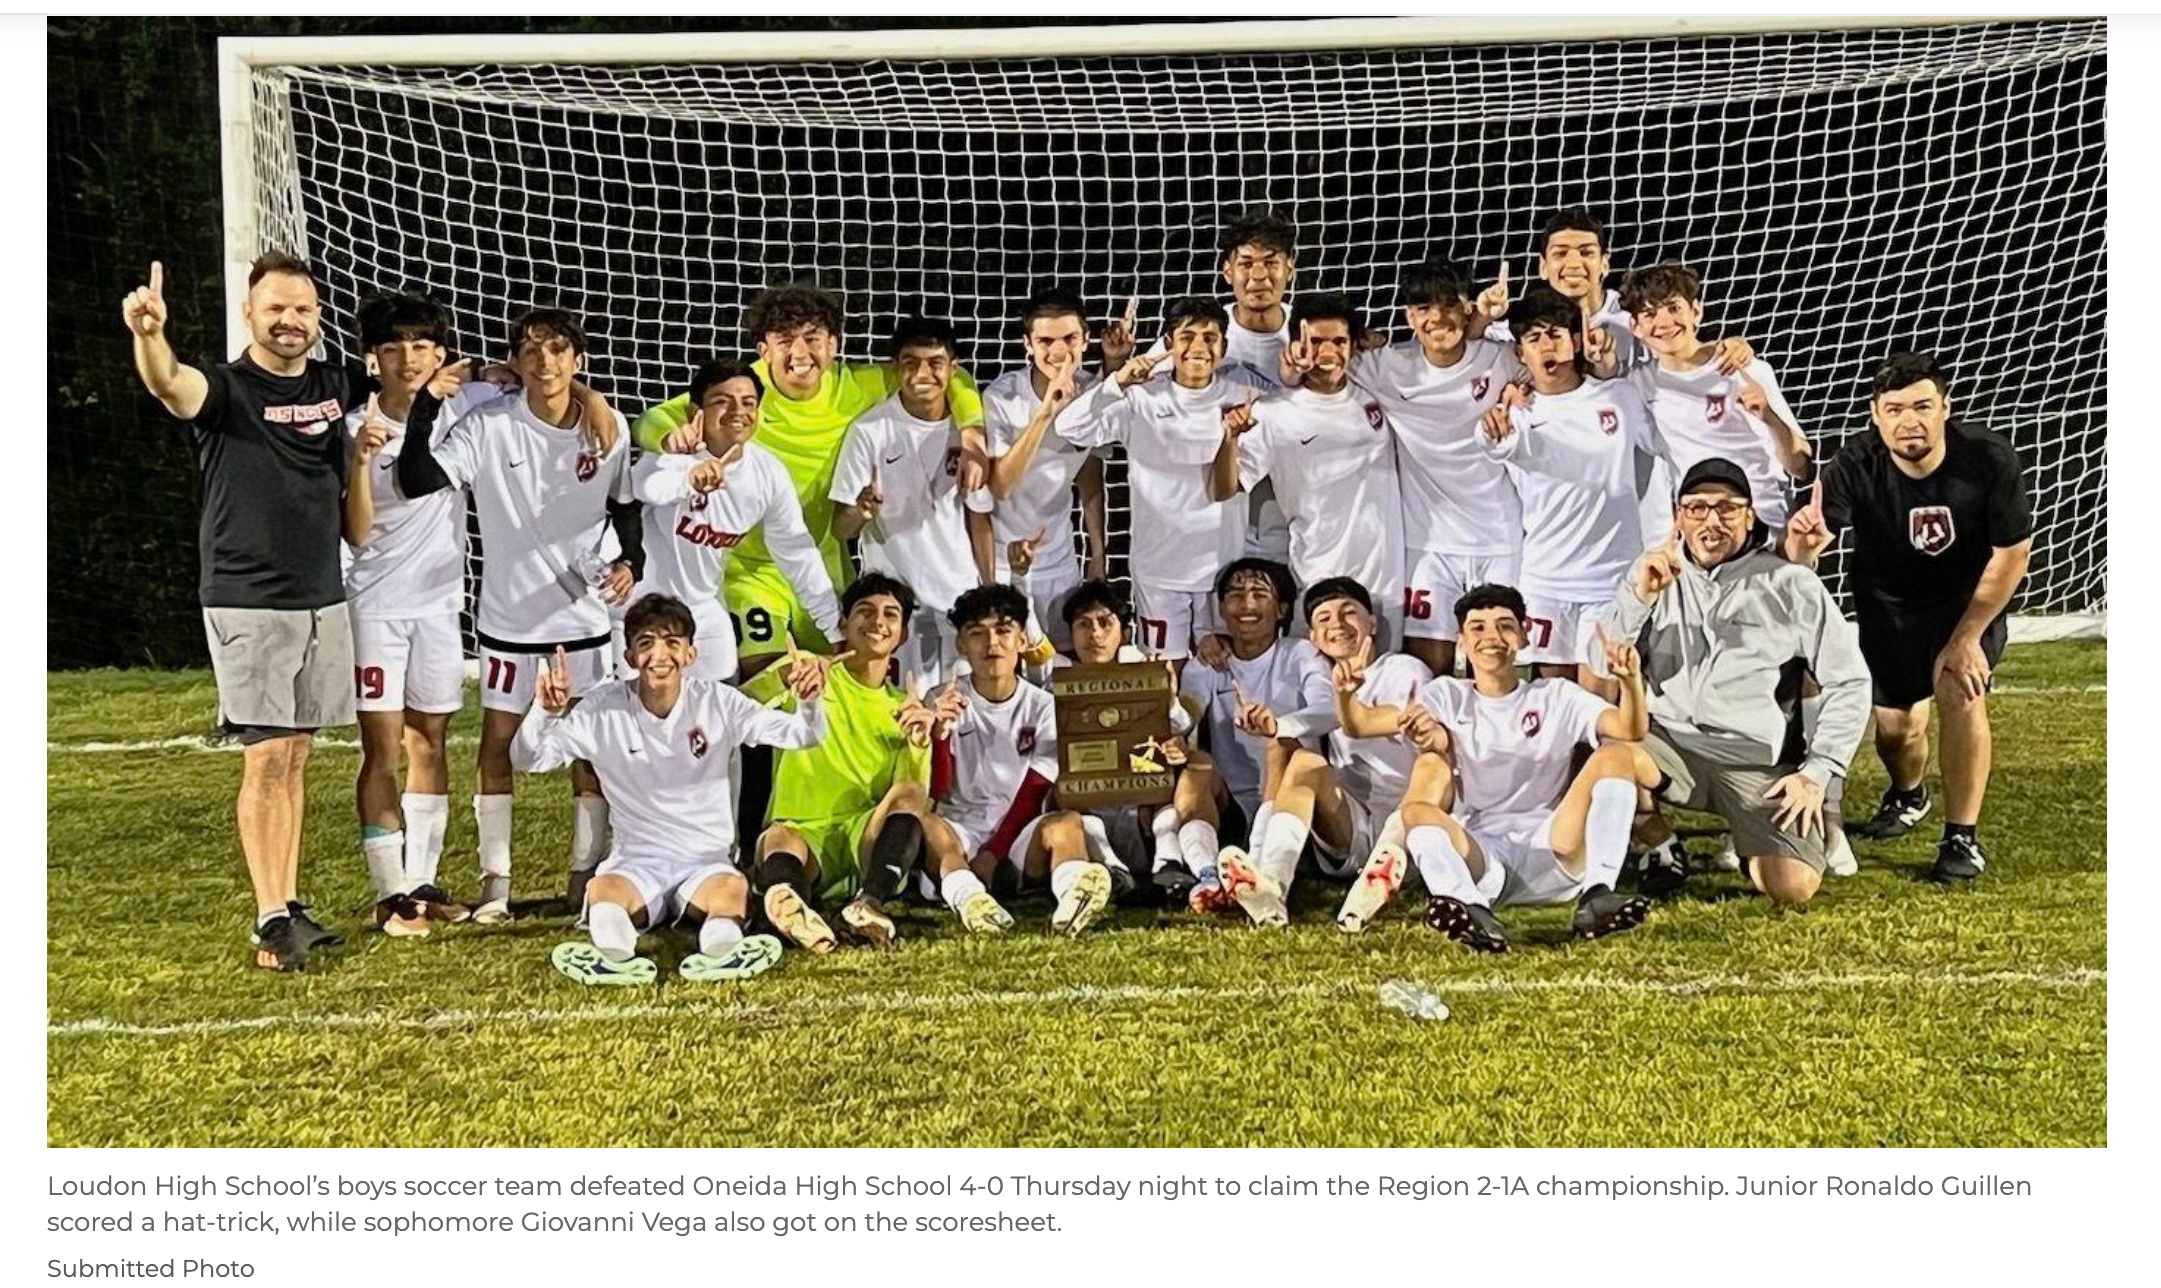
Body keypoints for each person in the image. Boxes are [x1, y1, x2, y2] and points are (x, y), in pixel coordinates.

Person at [124, 252, 376, 971]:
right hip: (248, 598)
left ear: (318, 317)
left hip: (322, 595)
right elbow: (171, 384)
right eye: (275, 309)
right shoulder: (228, 390)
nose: (289, 321)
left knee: (295, 755)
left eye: (302, 309)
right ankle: (269, 920)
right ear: (250, 314)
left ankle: (287, 902)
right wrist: (149, 334)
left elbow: (406, 374)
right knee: (266, 759)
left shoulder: (334, 384)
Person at [396, 307, 640, 923]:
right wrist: (426, 404)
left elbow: (624, 505)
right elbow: (418, 476)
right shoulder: (489, 425)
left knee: (591, 752)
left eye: (559, 350)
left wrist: (630, 560)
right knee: (497, 748)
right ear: (516, 362)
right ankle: (496, 887)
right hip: (509, 624)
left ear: (577, 360)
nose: (546, 362)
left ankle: (584, 879)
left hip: (583, 624)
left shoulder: (608, 430)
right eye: (532, 351)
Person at [632, 284, 990, 673]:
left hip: (821, 558)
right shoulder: (742, 392)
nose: (800, 353)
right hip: (749, 570)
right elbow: (651, 420)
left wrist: (972, 435)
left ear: (833, 344)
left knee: (847, 670)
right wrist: (670, 439)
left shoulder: (854, 385)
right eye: (785, 340)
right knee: (766, 677)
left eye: (812, 339)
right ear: (763, 349)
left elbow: (954, 374)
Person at [1786, 353, 2032, 881]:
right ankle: (1907, 794)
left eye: (1922, 406)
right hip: (1889, 606)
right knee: (1896, 732)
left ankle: (1961, 838)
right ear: (1877, 416)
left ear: (1945, 407)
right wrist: (1805, 547)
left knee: (1958, 686)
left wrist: (1967, 636)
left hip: (1965, 603)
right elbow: (1813, 543)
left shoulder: (1987, 458)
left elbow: (2011, 554)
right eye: (1894, 409)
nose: (1909, 421)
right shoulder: (1856, 463)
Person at [517, 594, 831, 985]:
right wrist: (544, 713)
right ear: (629, 656)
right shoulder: (602, 708)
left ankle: (721, 955)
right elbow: (528, 759)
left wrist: (809, 703)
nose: (659, 655)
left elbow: (804, 734)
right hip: (636, 861)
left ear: (690, 654)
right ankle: (614, 959)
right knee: (603, 891)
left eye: (671, 643)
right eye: (645, 644)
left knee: (732, 893)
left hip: (704, 860)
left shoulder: (717, 701)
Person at [1602, 457, 1872, 906]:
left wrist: (1818, 772)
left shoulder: (1790, 582)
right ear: (1678, 517)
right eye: (1697, 508)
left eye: (1727, 508)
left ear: (1750, 516)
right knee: (1603, 751)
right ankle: (1656, 840)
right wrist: (1638, 599)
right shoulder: (1653, 574)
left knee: (1793, 888)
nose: (1712, 520)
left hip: (1755, 763)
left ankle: (1760, 837)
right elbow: (1600, 659)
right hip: (1670, 749)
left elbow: (1850, 681)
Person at [1341, 583, 1657, 951]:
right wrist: (1346, 695)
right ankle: (1470, 909)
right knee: (1416, 812)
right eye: (1478, 628)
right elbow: (1361, 724)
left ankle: (1598, 894)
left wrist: (1630, 683)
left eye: (1505, 625)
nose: (1492, 637)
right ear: (1461, 642)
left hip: (1557, 848)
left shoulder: (1555, 695)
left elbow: (1630, 729)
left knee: (1615, 755)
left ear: (1524, 637)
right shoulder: (1446, 694)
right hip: (1484, 858)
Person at [340, 291, 497, 935]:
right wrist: (358, 459)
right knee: (381, 750)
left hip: (439, 607)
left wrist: (496, 373)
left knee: (430, 740)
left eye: (423, 345)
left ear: (440, 353)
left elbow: (530, 382)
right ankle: (389, 893)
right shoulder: (352, 426)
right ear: (372, 358)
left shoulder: (462, 407)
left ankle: (424, 883)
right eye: (394, 346)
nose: (410, 358)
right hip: (374, 606)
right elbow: (354, 532)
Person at [1344, 256, 1525, 677]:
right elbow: (1320, 361)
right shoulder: (1386, 366)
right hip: (1427, 544)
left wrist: (1523, 388)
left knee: (1498, 667)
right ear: (1409, 315)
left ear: (1467, 308)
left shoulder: (1500, 359)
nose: (1436, 317)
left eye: (1448, 304)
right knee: (1429, 671)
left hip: (1497, 536)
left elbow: (1562, 374)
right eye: (1423, 308)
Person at [1061, 297, 1269, 661]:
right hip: (1159, 570)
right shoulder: (1140, 398)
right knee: (1165, 679)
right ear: (1168, 344)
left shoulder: (1247, 398)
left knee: (1227, 675)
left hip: (1222, 571)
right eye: (1187, 336)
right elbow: (1069, 427)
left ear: (1225, 346)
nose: (1199, 347)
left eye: (1210, 337)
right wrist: (1118, 379)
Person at [1479, 285, 1664, 685]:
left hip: (1612, 580)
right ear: (1520, 353)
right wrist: (1493, 431)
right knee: (1557, 702)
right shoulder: (1515, 411)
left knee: (1599, 703)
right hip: (1547, 579)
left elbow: (1668, 440)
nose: (1548, 346)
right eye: (1534, 338)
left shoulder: (1618, 395)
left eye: (1556, 334)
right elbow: (1499, 441)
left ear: (1576, 341)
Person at [1224, 577, 1432, 931]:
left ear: (1372, 623)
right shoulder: (1325, 677)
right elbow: (1321, 714)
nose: (1337, 623)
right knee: (1301, 759)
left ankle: (1375, 881)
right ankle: (1272, 885)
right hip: (1350, 827)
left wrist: (1347, 699)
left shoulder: (1403, 669)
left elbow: (1364, 722)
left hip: (1410, 826)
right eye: (1324, 619)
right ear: (1313, 638)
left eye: (1349, 613)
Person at [914, 583, 1115, 936]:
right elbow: (939, 787)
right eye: (977, 634)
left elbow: (1034, 792)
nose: (992, 644)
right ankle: (970, 899)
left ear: (1022, 640)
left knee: (1067, 822)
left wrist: (994, 852)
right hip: (959, 830)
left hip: (1018, 834)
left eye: (1004, 631)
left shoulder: (1043, 707)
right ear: (961, 644)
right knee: (927, 824)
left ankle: (1073, 898)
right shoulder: (941, 698)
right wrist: (940, 735)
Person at [1109, 208, 1300, 563]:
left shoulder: (1309, 332)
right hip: (1216, 506)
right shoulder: (1202, 332)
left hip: (1292, 500)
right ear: (1227, 272)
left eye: (1271, 263)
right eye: (1246, 263)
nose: (1258, 275)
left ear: (1290, 269)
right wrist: (1114, 364)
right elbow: (1139, 392)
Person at [633, 355, 839, 682]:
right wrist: (688, 480)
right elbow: (644, 486)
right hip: (639, 607)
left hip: (702, 606)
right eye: (722, 402)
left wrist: (834, 628)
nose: (738, 412)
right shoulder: (672, 456)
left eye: (748, 403)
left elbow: (798, 553)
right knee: (641, 709)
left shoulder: (767, 474)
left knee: (724, 702)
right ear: (694, 413)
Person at [1217, 292, 1407, 644]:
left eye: (1339, 341)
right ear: (1295, 345)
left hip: (1385, 582)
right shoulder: (1273, 412)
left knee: (1383, 688)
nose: (1328, 352)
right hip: (1318, 574)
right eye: (1316, 342)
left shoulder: (1376, 391)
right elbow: (1226, 488)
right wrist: (1230, 438)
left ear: (1354, 346)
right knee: (1320, 688)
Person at [829, 317, 996, 684]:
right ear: (896, 367)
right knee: (902, 720)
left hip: (960, 599)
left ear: (953, 369)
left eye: (935, 363)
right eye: (910, 362)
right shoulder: (869, 431)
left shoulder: (972, 434)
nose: (923, 373)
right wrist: (861, 510)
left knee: (959, 723)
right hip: (893, 611)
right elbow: (841, 528)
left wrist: (988, 587)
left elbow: (979, 518)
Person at [1179, 559, 1336, 919]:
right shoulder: (1208, 661)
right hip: (1230, 809)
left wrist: (1278, 726)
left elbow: (1329, 710)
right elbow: (1189, 712)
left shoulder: (1300, 653)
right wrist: (1173, 725)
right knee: (1196, 765)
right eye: (1235, 595)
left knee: (1280, 746)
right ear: (1220, 608)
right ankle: (1206, 877)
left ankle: (1264, 874)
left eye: (1259, 595)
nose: (1247, 605)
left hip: (1292, 807)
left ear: (1281, 608)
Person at [1057, 578, 1221, 906]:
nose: (1095, 634)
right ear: (1071, 634)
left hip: (1146, 806)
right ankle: (1113, 870)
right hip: (1090, 808)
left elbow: (1180, 727)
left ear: (1125, 632)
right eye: (1084, 625)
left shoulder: (1144, 670)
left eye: (1106, 623)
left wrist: (1168, 700)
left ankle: (1169, 863)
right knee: (1059, 786)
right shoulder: (1057, 680)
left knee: (1194, 765)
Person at [1621, 260, 1811, 526]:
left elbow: (1801, 467)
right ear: (1635, 326)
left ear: (1696, 311)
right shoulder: (1638, 383)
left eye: (1673, 308)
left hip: (1765, 522)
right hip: (1700, 531)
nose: (1664, 322)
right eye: (1650, 314)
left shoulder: (1745, 368)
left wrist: (1769, 416)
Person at [976, 289, 1110, 649]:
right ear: (1028, 345)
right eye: (1045, 341)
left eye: (1070, 338)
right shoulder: (1001, 398)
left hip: (1063, 562)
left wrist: (1097, 554)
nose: (1058, 351)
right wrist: (1046, 413)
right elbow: (1001, 484)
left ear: (1086, 340)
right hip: (1007, 564)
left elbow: (1088, 473)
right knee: (1013, 669)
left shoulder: (1092, 394)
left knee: (1066, 671)